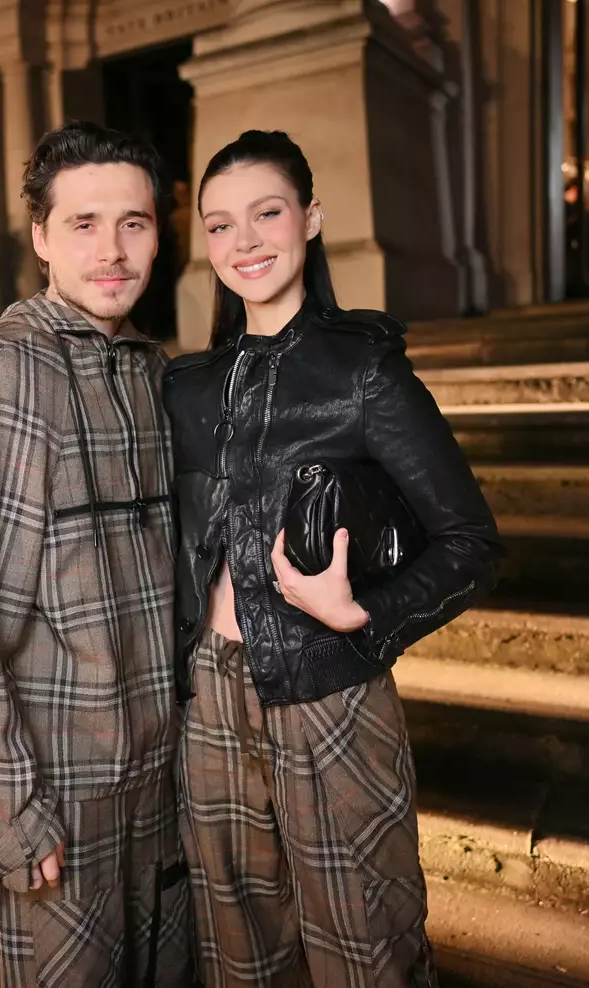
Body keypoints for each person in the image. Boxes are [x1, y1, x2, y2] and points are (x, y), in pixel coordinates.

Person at [162, 131, 504, 988]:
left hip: (332, 688)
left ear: (311, 219)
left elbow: (471, 541)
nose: (244, 241)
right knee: (239, 948)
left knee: (367, 947)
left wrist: (369, 615)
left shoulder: (364, 369)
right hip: (209, 695)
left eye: (267, 213)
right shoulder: (186, 386)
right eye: (219, 224)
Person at [0, 122, 192, 988]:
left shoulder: (147, 371)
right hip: (58, 807)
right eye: (83, 224)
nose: (112, 250)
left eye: (134, 223)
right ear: (40, 237)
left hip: (161, 793)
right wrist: (8, 817)